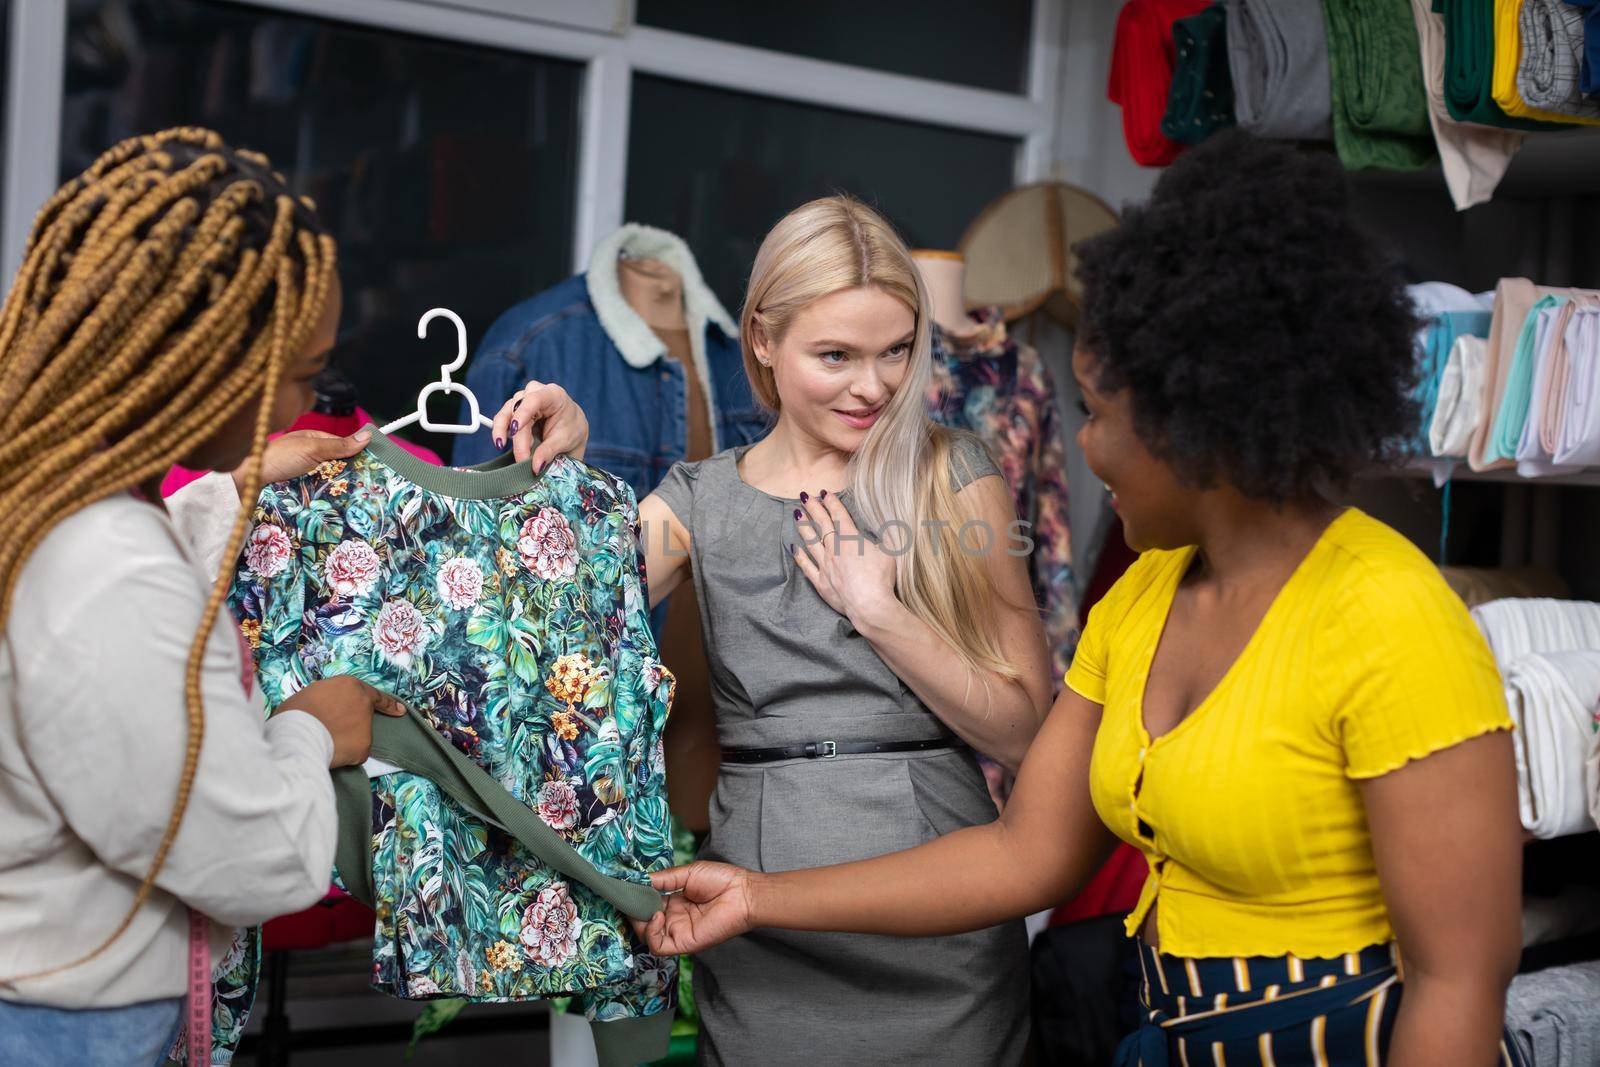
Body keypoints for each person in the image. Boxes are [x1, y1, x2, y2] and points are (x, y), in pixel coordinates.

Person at [634, 134, 1529, 1067]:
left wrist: (887, 615)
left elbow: (1458, 982)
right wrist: (758, 896)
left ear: (1197, 418)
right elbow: (1024, 855)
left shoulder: (1392, 617)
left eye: (1097, 413)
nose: (1082, 452)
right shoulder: (1142, 598)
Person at [0, 129, 588, 1066]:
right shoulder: (111, 571)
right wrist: (315, 728)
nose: (308, 404)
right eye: (307, 372)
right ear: (215, 363)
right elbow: (253, 862)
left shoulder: (46, 506)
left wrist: (233, 488)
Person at [492, 195, 1053, 1064]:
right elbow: (537, 616)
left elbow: (1025, 735)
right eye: (836, 354)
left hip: (943, 907)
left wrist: (882, 613)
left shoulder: (955, 477)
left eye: (897, 350)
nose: (874, 386)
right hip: (758, 898)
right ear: (762, 339)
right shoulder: (699, 499)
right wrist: (571, 468)